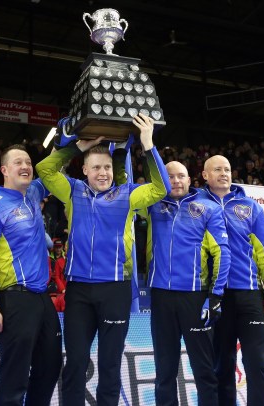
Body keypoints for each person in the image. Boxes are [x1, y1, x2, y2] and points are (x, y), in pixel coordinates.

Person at [36, 113, 170, 405]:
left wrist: (148, 145)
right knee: (75, 363)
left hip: (115, 290)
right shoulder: (72, 191)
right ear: (84, 170)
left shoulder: (127, 195)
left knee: (110, 367)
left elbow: (162, 189)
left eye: (107, 167)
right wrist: (78, 146)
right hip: (79, 291)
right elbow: (44, 170)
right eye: (96, 167)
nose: (103, 173)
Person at [0, 144, 62, 406]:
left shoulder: (33, 193)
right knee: (15, 376)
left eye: (28, 162)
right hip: (14, 299)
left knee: (50, 366)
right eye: (18, 163)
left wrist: (69, 141)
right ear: (4, 170)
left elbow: (52, 167)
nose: (25, 166)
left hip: (41, 298)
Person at [144, 161, 230, 406]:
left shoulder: (208, 208)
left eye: (181, 176)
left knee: (204, 370)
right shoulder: (152, 205)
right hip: (161, 298)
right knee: (164, 371)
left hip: (195, 299)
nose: (176, 181)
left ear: (190, 179)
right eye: (169, 177)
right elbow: (128, 187)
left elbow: (223, 252)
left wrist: (215, 295)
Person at [201, 155, 264, 406]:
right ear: (205, 175)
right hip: (216, 297)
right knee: (222, 365)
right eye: (217, 169)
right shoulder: (197, 204)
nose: (224, 173)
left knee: (257, 364)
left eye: (227, 169)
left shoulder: (251, 206)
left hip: (250, 295)